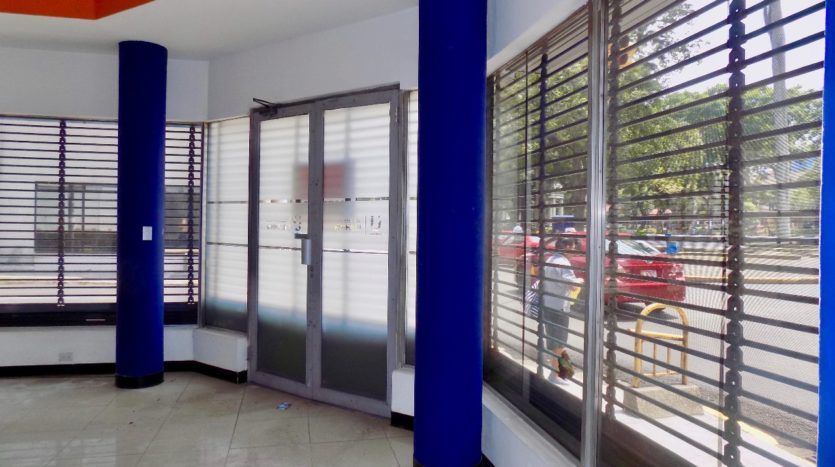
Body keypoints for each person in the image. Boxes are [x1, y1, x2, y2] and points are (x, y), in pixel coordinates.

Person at [541, 240, 580, 384]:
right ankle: (555, 375)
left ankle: (559, 373)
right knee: (559, 343)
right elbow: (572, 285)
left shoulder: (550, 260)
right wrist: (579, 280)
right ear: (567, 247)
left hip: (548, 305)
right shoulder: (563, 263)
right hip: (559, 307)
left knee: (554, 342)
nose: (574, 251)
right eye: (574, 248)